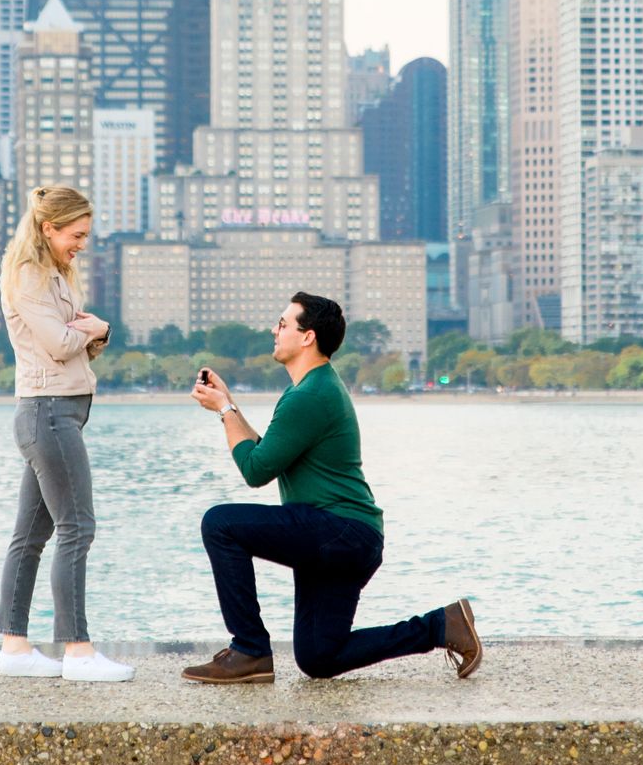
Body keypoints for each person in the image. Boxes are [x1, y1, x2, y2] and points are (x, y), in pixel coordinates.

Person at [184, 291, 482, 684]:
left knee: (219, 523)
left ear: (307, 337)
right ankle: (442, 627)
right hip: (345, 537)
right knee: (319, 656)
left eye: (284, 324)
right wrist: (229, 404)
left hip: (338, 531)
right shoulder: (311, 389)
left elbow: (255, 470)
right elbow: (266, 454)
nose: (274, 330)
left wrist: (223, 412)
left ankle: (249, 650)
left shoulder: (309, 395)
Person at [0, 184, 132, 682]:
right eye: (76, 234)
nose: (82, 244)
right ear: (48, 228)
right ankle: (78, 652)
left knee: (31, 535)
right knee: (77, 528)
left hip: (55, 412)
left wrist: (93, 332)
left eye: (86, 235)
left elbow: (79, 338)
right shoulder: (29, 276)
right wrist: (98, 328)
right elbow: (58, 342)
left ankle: (15, 647)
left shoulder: (55, 273)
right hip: (48, 412)